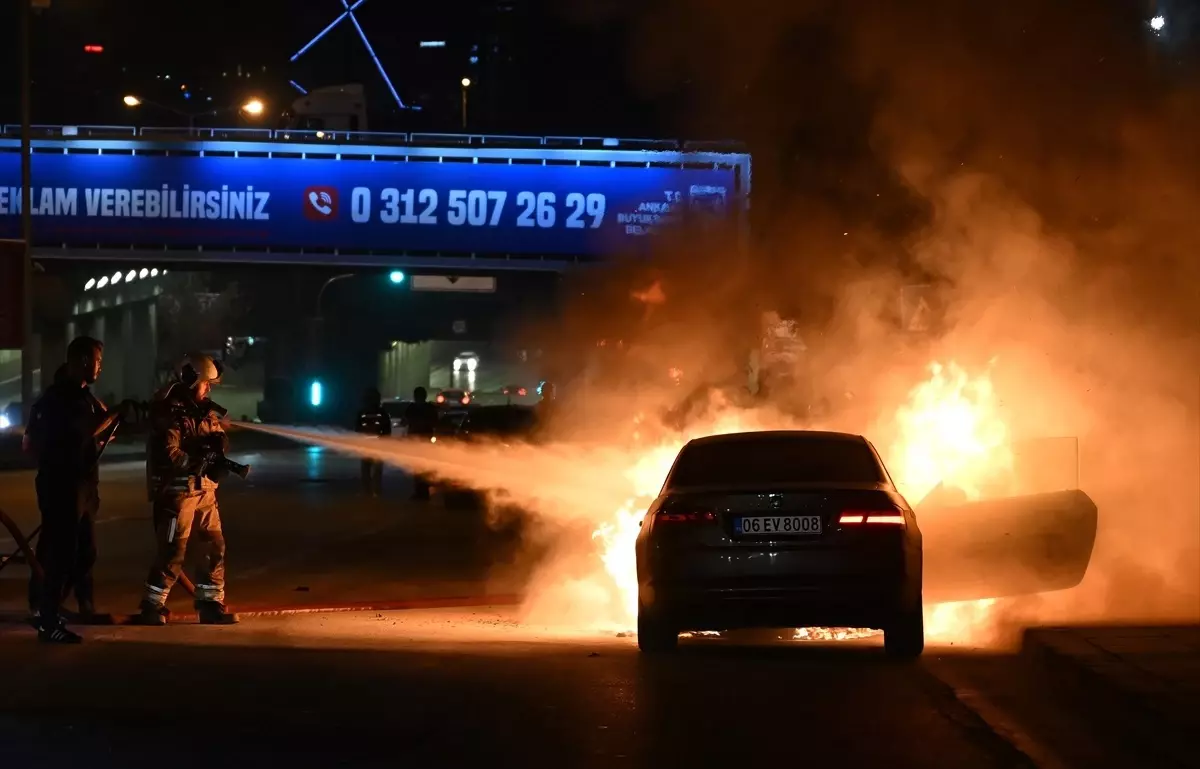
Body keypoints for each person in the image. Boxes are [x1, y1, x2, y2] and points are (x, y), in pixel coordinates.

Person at [23, 336, 131, 643]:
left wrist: (115, 419)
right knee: (60, 553)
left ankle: (53, 607)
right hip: (62, 485)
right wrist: (114, 413)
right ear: (82, 361)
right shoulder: (61, 399)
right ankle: (47, 618)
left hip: (83, 486)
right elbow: (83, 429)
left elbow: (93, 432)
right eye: (97, 360)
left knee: (85, 552)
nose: (100, 367)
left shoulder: (84, 396)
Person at [135, 353, 237, 626]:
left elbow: (214, 436)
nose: (209, 389)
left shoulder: (202, 410)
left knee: (213, 546)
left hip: (204, 492)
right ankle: (152, 605)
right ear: (191, 381)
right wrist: (197, 460)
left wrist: (219, 446)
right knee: (172, 552)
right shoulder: (170, 412)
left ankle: (210, 604)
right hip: (177, 493)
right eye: (206, 383)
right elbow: (168, 452)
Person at [402, 386, 438, 500]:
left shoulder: (411, 408)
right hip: (425, 442)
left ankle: (420, 492)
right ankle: (423, 491)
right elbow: (435, 422)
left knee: (418, 468)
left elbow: (405, 421)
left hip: (417, 442)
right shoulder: (430, 408)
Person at [355, 387, 391, 496]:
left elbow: (357, 429)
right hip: (373, 446)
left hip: (370, 446)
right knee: (374, 470)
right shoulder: (382, 413)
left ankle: (370, 491)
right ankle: (374, 490)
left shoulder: (363, 412)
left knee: (369, 470)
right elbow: (387, 430)